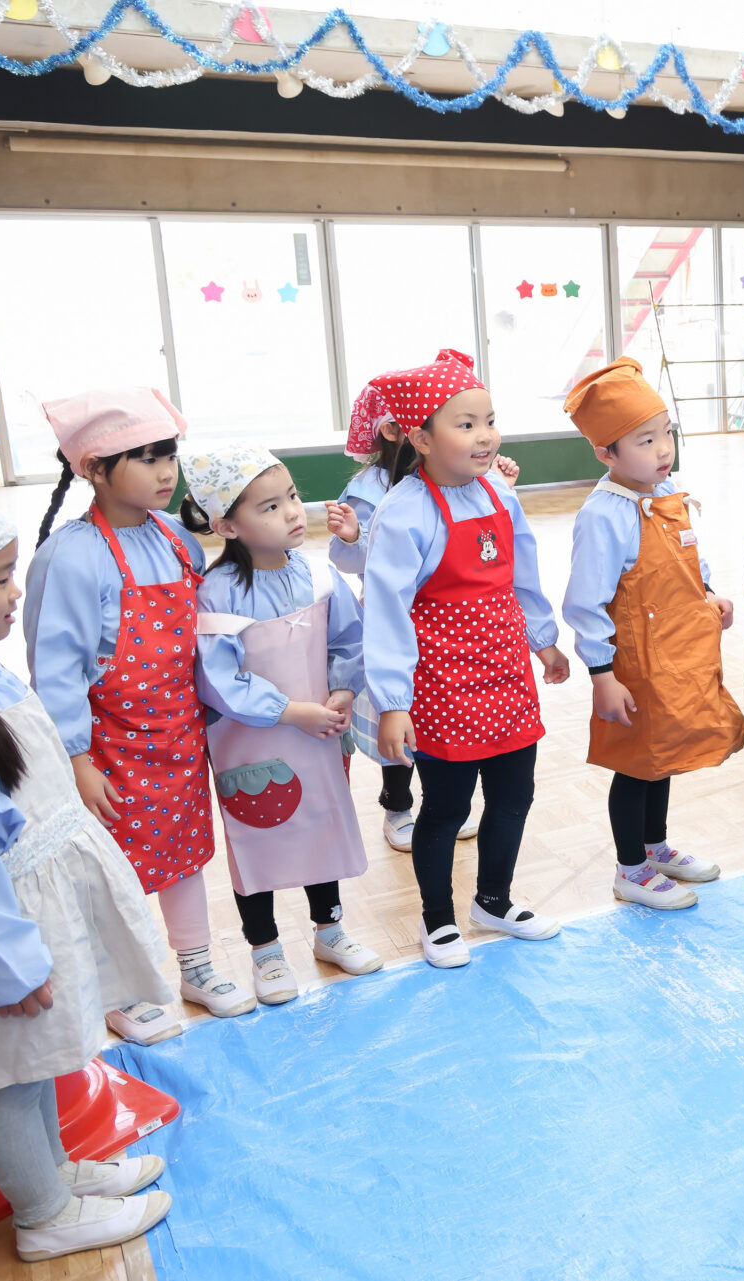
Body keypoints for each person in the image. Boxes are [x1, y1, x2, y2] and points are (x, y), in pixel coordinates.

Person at [0, 492, 176, 1262]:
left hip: (34, 908)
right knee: (15, 1077)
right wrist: (7, 964)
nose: (16, 590)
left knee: (47, 1057)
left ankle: (55, 1172)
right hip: (4, 930)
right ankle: (43, 1213)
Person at [24, 388, 251, 1035]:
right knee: (110, 868)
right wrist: (75, 759)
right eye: (145, 458)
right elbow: (56, 670)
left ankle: (197, 966)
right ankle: (118, 989)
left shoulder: (176, 539)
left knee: (183, 853)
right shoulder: (71, 557)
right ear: (94, 469)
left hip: (178, 735)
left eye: (168, 455)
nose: (164, 471)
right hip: (107, 747)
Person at [360, 349, 572, 968]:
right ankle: (437, 921)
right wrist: (393, 703)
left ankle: (493, 901)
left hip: (505, 671)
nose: (485, 436)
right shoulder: (404, 510)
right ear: (422, 439)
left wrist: (543, 639)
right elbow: (386, 610)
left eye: (490, 421)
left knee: (514, 794)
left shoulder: (499, 493)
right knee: (447, 808)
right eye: (466, 424)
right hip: (443, 683)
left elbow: (523, 572)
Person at [184, 446, 382, 1005]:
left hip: (318, 738)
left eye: (292, 496)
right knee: (257, 841)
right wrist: (291, 711)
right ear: (226, 525)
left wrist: (343, 689)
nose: (293, 511)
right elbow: (218, 679)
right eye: (270, 507)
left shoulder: (319, 574)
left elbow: (349, 640)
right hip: (251, 746)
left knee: (322, 825)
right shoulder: (216, 592)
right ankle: (266, 950)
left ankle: (330, 930)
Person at [561, 358, 744, 910]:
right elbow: (585, 602)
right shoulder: (604, 515)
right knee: (635, 765)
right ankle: (630, 870)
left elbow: (687, 557)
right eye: (645, 440)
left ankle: (654, 846)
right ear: (607, 453)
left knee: (661, 754)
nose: (663, 449)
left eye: (666, 433)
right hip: (634, 664)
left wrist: (708, 592)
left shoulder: (667, 491)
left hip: (676, 653)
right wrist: (602, 674)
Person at [325, 385, 509, 852]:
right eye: (463, 423)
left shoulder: (458, 473)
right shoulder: (369, 489)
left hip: (446, 630)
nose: (477, 433)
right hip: (395, 624)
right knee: (396, 722)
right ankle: (398, 806)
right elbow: (351, 561)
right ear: (399, 431)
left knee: (436, 727)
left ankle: (440, 804)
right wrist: (352, 538)